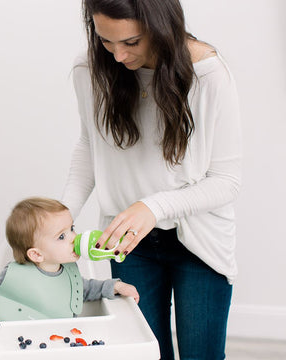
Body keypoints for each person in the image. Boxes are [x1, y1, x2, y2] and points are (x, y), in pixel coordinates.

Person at [61, 0, 242, 359]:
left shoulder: (207, 74)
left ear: (162, 25)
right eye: (105, 41)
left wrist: (153, 207)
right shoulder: (90, 69)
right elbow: (90, 145)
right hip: (127, 244)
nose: (116, 55)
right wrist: (62, 214)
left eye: (131, 42)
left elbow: (226, 181)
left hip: (200, 243)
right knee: (144, 353)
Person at [0, 197, 139, 333]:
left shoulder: (68, 270)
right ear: (36, 254)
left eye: (71, 228)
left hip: (60, 339)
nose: (74, 237)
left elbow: (83, 289)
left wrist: (115, 286)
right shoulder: (16, 275)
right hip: (21, 341)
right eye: (62, 236)